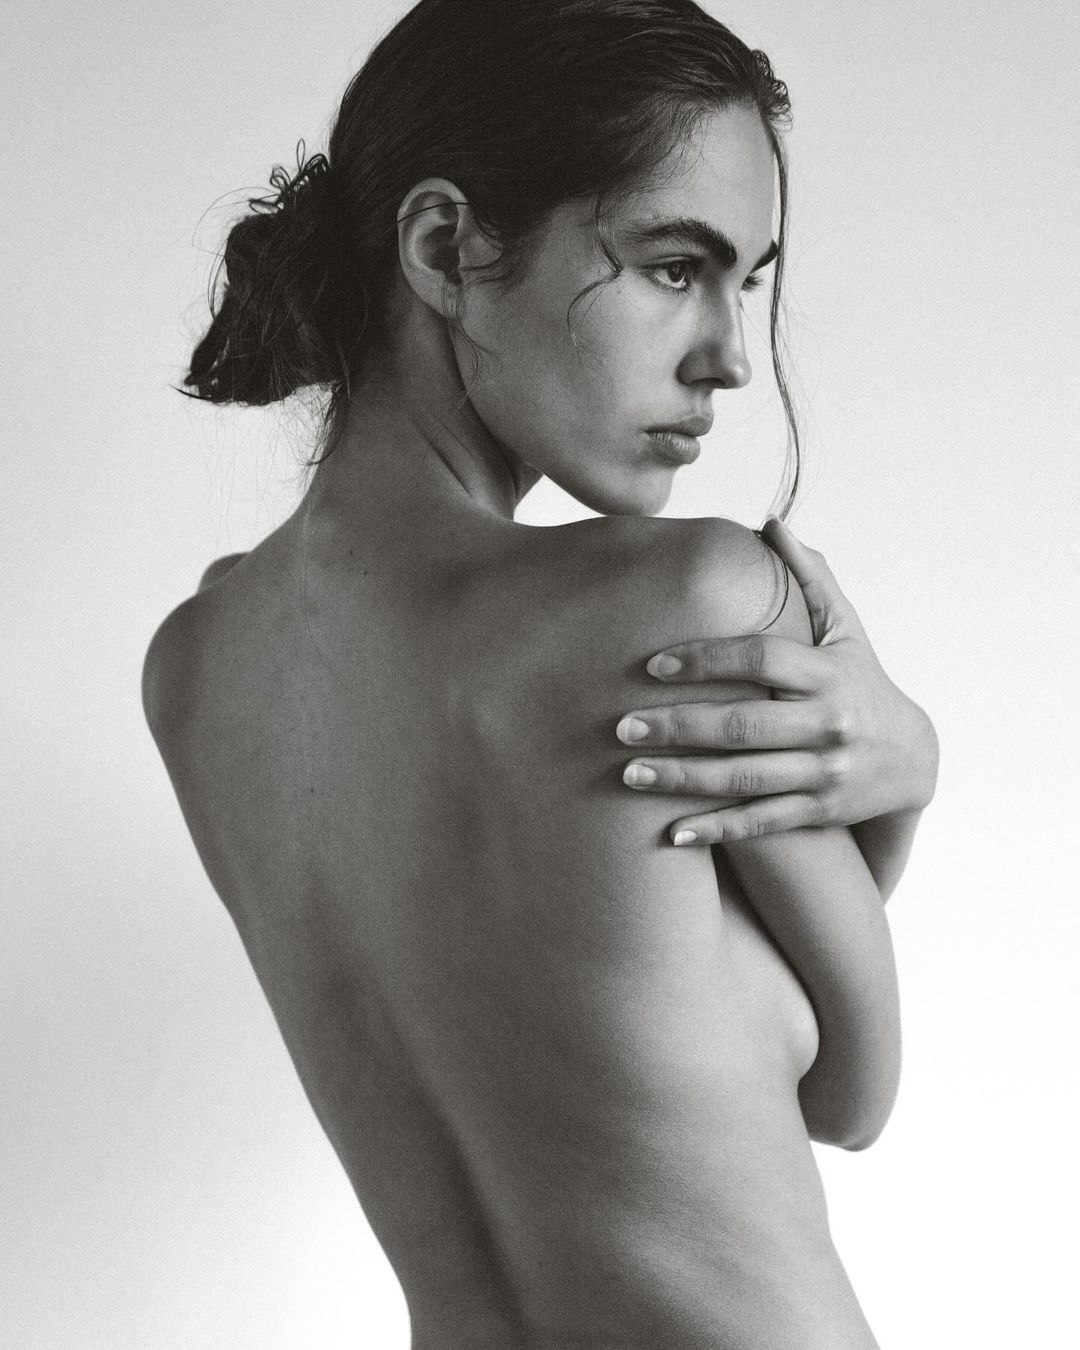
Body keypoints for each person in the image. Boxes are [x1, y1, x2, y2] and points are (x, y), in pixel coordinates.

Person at [143, 1, 938, 1345]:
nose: (732, 358)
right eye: (675, 266)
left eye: (744, 283)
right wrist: (907, 769)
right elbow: (849, 1090)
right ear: (443, 248)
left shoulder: (195, 668)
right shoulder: (687, 602)